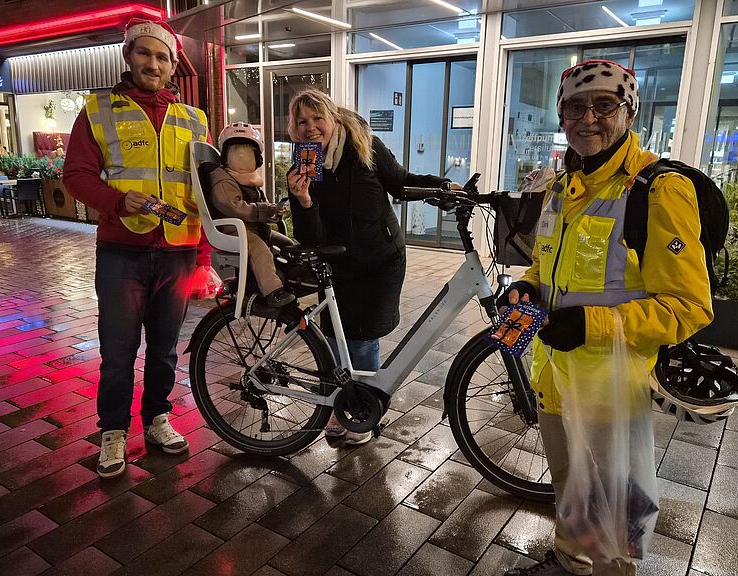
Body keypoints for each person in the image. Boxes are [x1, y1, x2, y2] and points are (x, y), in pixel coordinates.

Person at [501, 59, 713, 576]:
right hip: (553, 376)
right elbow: (546, 262)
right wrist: (527, 285)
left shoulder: (658, 191)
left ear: (629, 112)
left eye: (604, 105)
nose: (587, 118)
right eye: (575, 106)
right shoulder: (561, 184)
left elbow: (690, 306)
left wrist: (591, 325)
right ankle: (570, 558)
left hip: (610, 389)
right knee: (571, 485)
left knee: (618, 510)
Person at [63, 17, 214, 479]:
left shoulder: (194, 119)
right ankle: (112, 431)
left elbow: (205, 192)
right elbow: (76, 176)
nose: (153, 63)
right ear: (128, 57)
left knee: (166, 347)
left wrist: (205, 257)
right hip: (121, 252)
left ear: (173, 66)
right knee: (118, 349)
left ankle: (156, 419)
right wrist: (116, 200)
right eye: (144, 53)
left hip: (179, 250)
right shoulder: (98, 110)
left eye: (162, 56)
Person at [286, 89, 458, 444]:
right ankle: (342, 407)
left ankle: (361, 412)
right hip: (337, 264)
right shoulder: (304, 162)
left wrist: (441, 187)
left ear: (333, 117)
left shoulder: (365, 146)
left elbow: (400, 181)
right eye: (302, 121)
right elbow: (310, 237)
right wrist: (302, 201)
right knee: (334, 339)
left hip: (380, 259)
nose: (311, 127)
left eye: (317, 118)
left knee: (363, 339)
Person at [206, 122, 294, 307]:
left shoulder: (251, 180)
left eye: (247, 153)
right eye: (236, 151)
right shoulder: (222, 178)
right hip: (234, 230)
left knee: (287, 244)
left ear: (257, 159)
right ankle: (273, 291)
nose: (241, 157)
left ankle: (291, 277)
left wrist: (273, 211)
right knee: (260, 251)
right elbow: (234, 207)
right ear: (225, 158)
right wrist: (263, 211)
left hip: (252, 227)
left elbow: (257, 206)